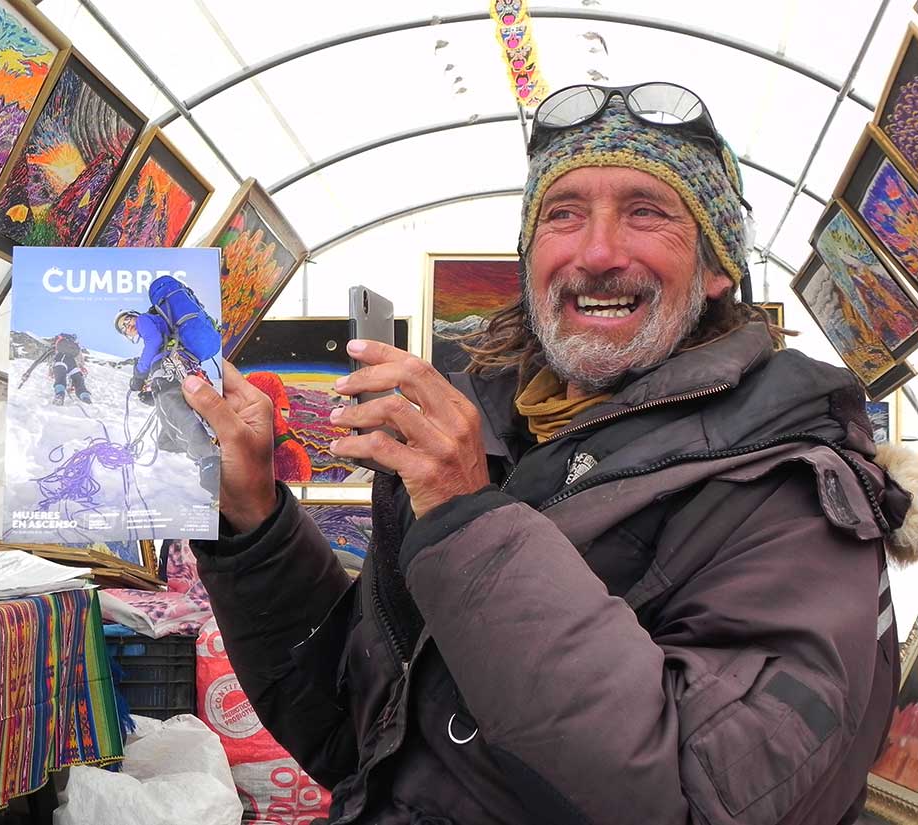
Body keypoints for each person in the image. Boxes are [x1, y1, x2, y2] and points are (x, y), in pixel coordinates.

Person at [181, 83, 917, 824]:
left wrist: (470, 520)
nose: (597, 252)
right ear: (531, 257)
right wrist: (257, 526)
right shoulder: (491, 434)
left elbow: (697, 802)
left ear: (718, 267)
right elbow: (358, 738)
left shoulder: (792, 490)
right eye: (563, 214)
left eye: (647, 212)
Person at [114, 275, 221, 496]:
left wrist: (138, 374)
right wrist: (152, 390)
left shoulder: (145, 319)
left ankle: (212, 467)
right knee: (167, 438)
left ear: (134, 315)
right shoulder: (161, 324)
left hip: (170, 367)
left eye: (127, 320)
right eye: (124, 328)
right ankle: (212, 455)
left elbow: (153, 342)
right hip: (180, 366)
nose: (128, 326)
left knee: (177, 413)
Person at [19, 332, 91, 405]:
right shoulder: (73, 350)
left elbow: (39, 360)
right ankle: (86, 399)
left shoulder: (55, 348)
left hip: (60, 361)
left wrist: (28, 372)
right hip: (73, 364)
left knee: (60, 379)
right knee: (79, 382)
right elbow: (79, 361)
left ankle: (59, 396)